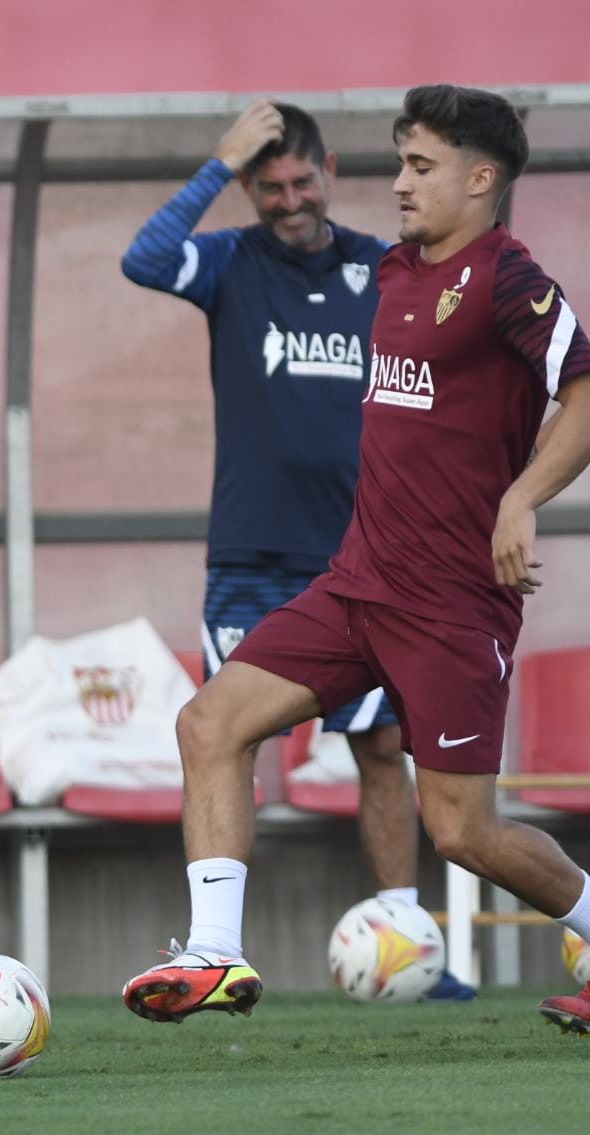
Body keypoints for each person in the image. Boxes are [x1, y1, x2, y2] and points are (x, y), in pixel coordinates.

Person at [121, 84, 590, 1031]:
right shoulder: (395, 272)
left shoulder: (509, 278)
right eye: (401, 161)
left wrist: (519, 497)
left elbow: (584, 392)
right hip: (353, 583)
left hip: (452, 608)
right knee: (210, 723)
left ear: (481, 177)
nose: (401, 183)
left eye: (421, 166)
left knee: (464, 833)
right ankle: (216, 951)